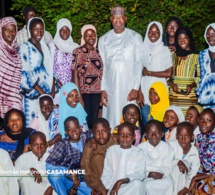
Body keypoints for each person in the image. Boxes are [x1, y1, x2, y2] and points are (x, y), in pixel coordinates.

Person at [99, 6, 143, 131]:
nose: (118, 20)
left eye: (121, 18)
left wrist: (135, 87)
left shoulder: (135, 37)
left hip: (129, 85)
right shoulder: (103, 40)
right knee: (112, 116)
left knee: (129, 114)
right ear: (111, 19)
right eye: (115, 18)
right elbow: (103, 67)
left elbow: (138, 63)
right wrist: (103, 89)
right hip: (110, 86)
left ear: (125, 19)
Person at [19, 17, 56, 126]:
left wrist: (52, 92)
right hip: (33, 94)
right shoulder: (24, 47)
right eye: (36, 29)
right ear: (30, 30)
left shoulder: (46, 47)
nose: (39, 32)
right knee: (32, 124)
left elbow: (51, 70)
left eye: (41, 29)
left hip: (47, 93)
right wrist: (43, 94)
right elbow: (26, 74)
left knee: (45, 123)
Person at [137, 21, 172, 125]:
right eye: (150, 31)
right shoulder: (142, 50)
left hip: (159, 94)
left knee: (160, 124)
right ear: (147, 33)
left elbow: (169, 73)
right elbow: (138, 71)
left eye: (156, 32)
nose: (153, 34)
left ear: (160, 34)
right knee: (146, 124)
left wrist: (150, 73)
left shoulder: (165, 50)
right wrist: (139, 91)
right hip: (144, 91)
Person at [46, 116, 91, 195]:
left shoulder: (85, 137)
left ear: (80, 128)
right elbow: (49, 166)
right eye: (70, 129)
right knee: (53, 176)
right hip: (68, 179)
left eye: (76, 128)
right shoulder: (62, 144)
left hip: (83, 178)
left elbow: (97, 133)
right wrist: (70, 172)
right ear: (66, 132)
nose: (74, 131)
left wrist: (113, 136)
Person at [72, 24, 103, 129]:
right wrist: (78, 95)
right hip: (84, 92)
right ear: (83, 37)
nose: (91, 37)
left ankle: (91, 143)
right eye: (87, 35)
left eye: (93, 34)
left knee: (93, 121)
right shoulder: (78, 51)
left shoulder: (99, 52)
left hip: (96, 92)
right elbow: (75, 74)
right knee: (83, 120)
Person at [101, 122, 145, 195]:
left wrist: (122, 181)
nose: (125, 137)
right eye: (121, 134)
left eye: (128, 134)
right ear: (117, 136)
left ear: (134, 137)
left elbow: (140, 174)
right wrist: (107, 188)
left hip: (130, 188)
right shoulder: (111, 150)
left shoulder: (139, 152)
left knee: (138, 184)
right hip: (114, 189)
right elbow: (106, 174)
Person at [81, 118, 118, 195]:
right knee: (97, 158)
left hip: (113, 177)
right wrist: (97, 186)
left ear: (109, 130)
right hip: (95, 180)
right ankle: (101, 190)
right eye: (97, 132)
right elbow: (85, 165)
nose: (100, 135)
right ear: (93, 133)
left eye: (104, 131)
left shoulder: (115, 141)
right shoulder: (90, 145)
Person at [168, 26, 200, 115]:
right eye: (179, 39)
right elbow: (167, 77)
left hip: (190, 98)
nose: (182, 41)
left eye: (185, 38)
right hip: (174, 97)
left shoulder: (197, 56)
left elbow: (199, 77)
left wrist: (192, 85)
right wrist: (172, 84)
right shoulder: (172, 55)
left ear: (190, 39)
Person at [138, 120, 174, 195]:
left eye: (157, 132)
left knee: (169, 184)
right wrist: (149, 174)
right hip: (146, 177)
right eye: (150, 132)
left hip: (163, 176)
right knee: (148, 185)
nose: (154, 135)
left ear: (162, 134)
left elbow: (168, 165)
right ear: (145, 135)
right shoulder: (140, 148)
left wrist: (162, 174)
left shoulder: (167, 147)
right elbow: (138, 168)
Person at [0, 17, 22, 118]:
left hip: (14, 98)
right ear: (1, 31)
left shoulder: (16, 52)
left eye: (13, 30)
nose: (10, 32)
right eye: (7, 30)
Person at [169, 122, 200, 195]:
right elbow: (165, 160)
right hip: (170, 176)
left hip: (185, 180)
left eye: (186, 136)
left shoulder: (194, 152)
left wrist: (186, 187)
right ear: (176, 136)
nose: (183, 139)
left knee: (182, 172)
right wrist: (177, 162)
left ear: (192, 137)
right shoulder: (171, 145)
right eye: (180, 136)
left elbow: (194, 172)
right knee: (178, 170)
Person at [189, 108, 215, 194]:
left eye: (209, 120)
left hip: (212, 175)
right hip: (203, 172)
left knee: (203, 189)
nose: (204, 123)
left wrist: (196, 178)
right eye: (202, 120)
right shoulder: (199, 138)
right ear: (198, 121)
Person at [49, 18, 79, 86]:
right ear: (58, 31)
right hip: (55, 84)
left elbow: (78, 69)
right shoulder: (52, 46)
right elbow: (49, 68)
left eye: (67, 30)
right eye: (62, 30)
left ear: (70, 31)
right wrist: (60, 86)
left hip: (72, 84)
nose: (65, 33)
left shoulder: (76, 47)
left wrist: (70, 86)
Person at [196, 23, 215, 112]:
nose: (210, 37)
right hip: (207, 98)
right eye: (208, 34)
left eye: (213, 34)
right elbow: (201, 76)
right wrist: (199, 92)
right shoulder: (202, 54)